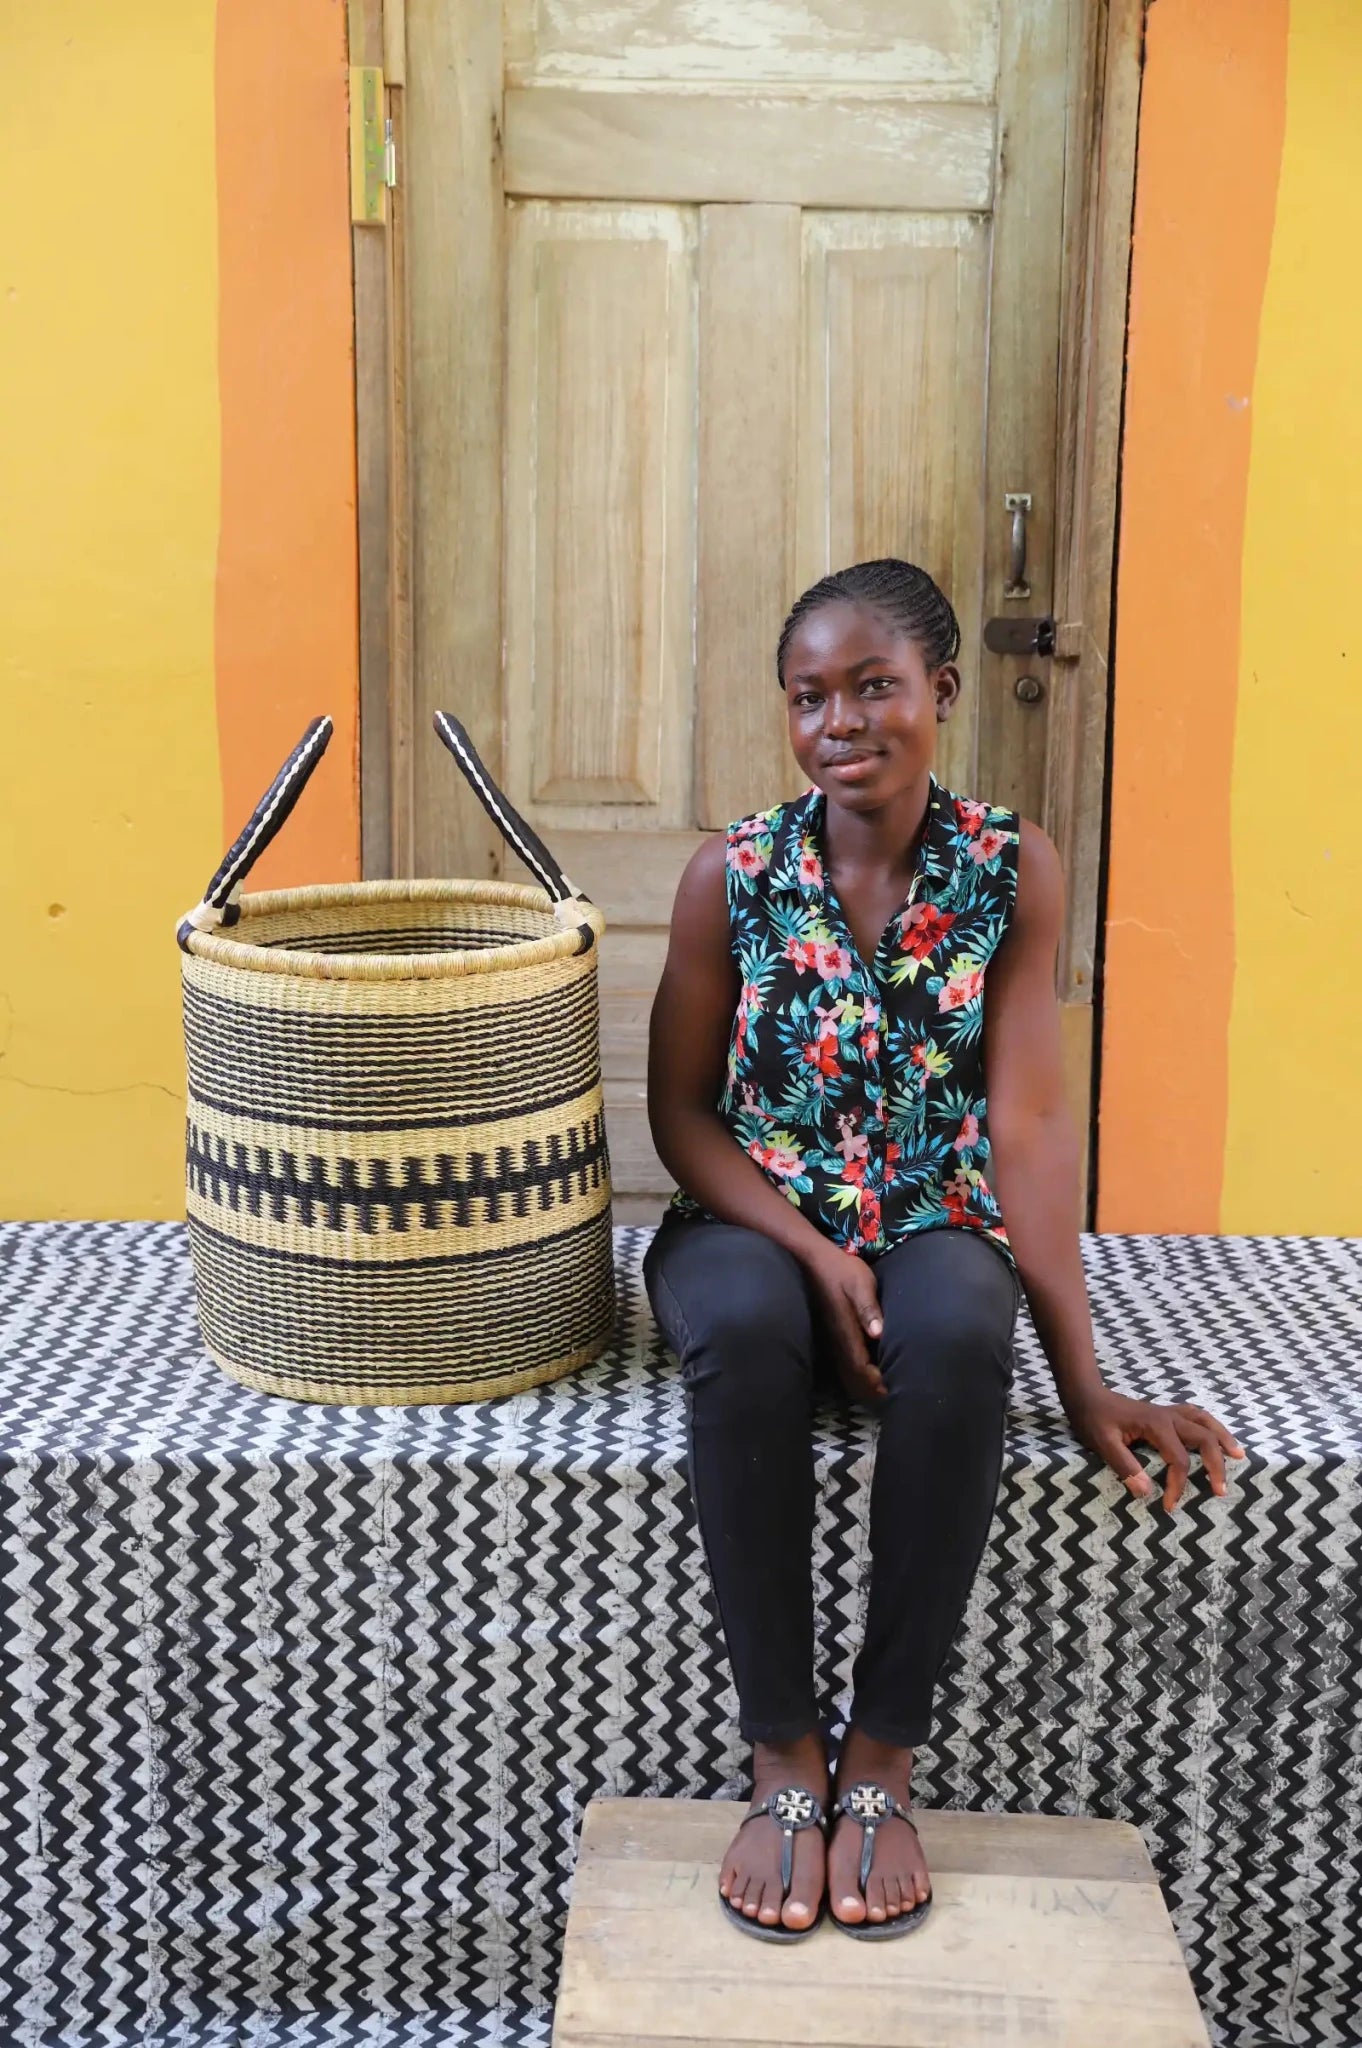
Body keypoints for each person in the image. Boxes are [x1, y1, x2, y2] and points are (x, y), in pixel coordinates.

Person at [643, 559, 1245, 1944]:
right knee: (744, 1334)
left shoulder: (1009, 868)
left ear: (943, 693)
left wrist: (1082, 1382)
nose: (841, 722)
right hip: (748, 1212)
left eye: (874, 687)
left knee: (964, 1331)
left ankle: (881, 1755)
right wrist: (812, 1251)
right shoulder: (728, 876)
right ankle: (781, 1752)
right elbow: (679, 1118)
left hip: (929, 1212)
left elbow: (1024, 1125)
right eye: (810, 697)